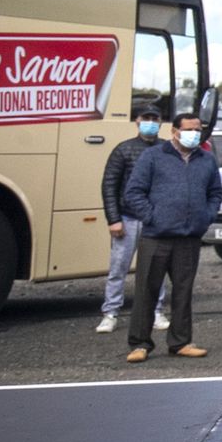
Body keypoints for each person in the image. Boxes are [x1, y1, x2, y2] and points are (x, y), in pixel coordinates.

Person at [121, 112, 219, 362]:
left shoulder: (206, 159)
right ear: (174, 131)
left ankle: (180, 342)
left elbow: (215, 192)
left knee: (183, 292)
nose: (195, 133)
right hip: (157, 236)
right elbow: (133, 192)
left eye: (198, 129)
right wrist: (152, 217)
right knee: (146, 290)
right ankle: (140, 344)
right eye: (190, 129)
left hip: (189, 238)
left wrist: (206, 216)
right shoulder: (153, 156)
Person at [97, 109, 173, 334]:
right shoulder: (123, 149)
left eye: (155, 119)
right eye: (146, 119)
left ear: (161, 123)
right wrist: (114, 219)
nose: (150, 123)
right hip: (128, 218)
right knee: (118, 268)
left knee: (156, 269)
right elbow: (109, 185)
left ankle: (156, 312)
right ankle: (110, 313)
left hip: (156, 220)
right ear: (137, 122)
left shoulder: (166, 149)